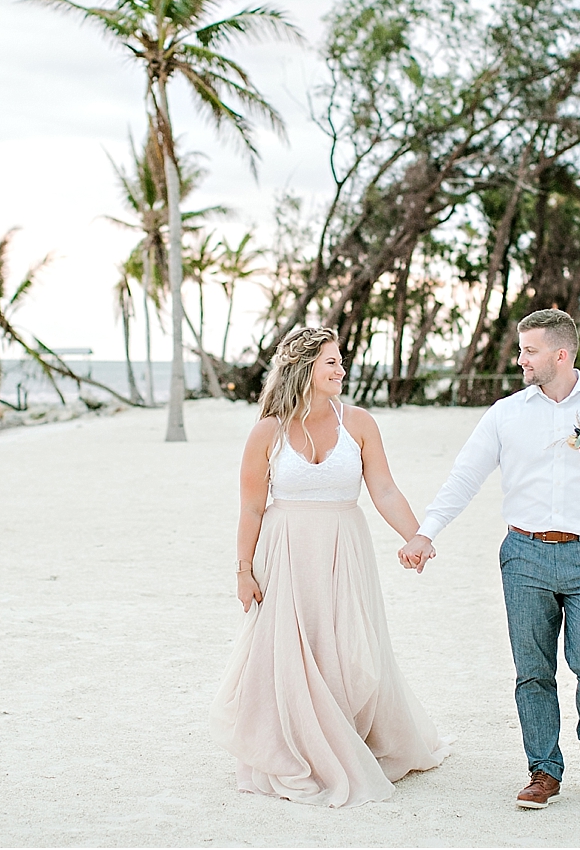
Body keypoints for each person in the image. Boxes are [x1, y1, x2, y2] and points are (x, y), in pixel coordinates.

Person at [399, 308, 580, 808]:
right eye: (521, 350)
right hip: (524, 554)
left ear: (561, 353)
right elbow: (465, 475)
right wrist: (427, 532)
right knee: (532, 669)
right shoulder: (505, 413)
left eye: (529, 351)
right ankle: (544, 769)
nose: (520, 360)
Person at [211, 326, 449, 808]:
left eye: (341, 362)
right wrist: (242, 570)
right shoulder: (267, 431)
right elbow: (252, 508)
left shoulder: (359, 423)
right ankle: (297, 745)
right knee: (286, 652)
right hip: (285, 553)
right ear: (304, 369)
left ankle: (347, 736)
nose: (341, 370)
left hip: (345, 549)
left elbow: (383, 488)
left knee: (346, 648)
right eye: (332, 363)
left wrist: (416, 535)